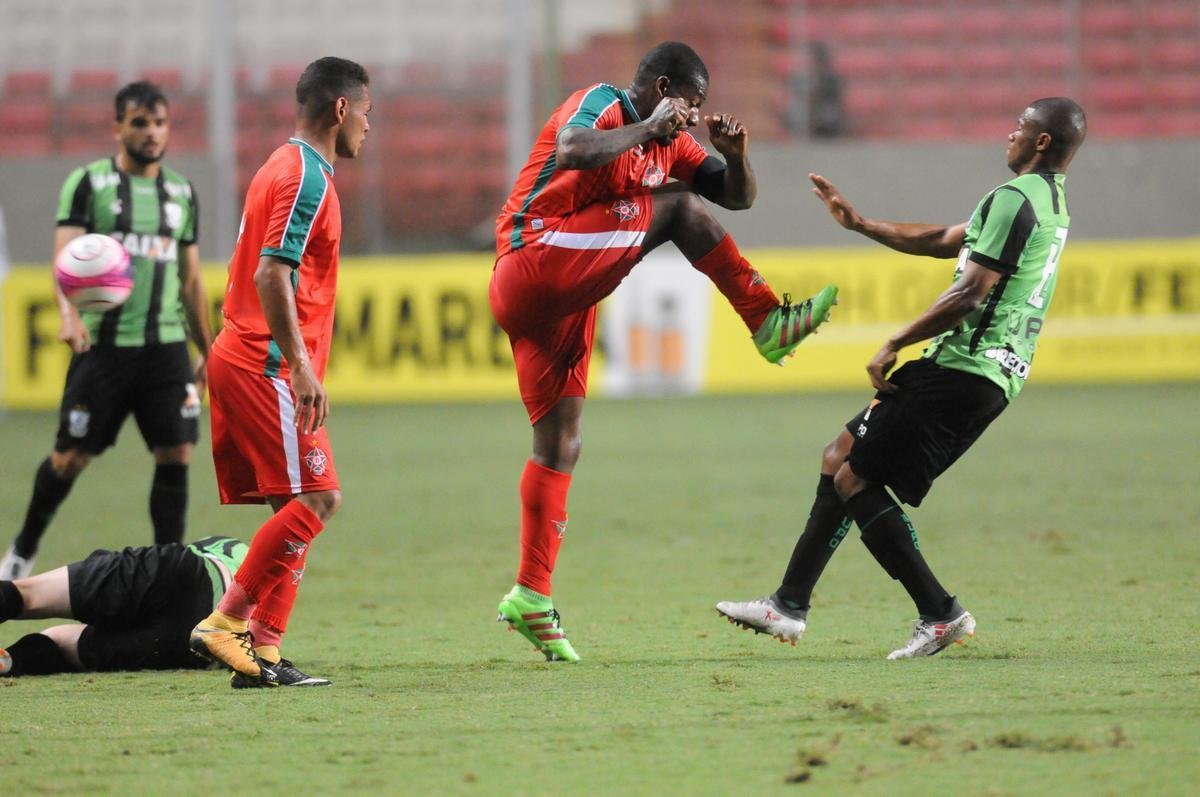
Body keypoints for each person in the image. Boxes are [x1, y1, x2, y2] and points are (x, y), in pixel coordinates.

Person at [490, 41, 839, 662]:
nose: (696, 116)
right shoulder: (604, 103)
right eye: (692, 103)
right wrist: (649, 127)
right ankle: (767, 320)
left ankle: (531, 594)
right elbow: (571, 149)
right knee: (677, 208)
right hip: (534, 254)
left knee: (561, 444)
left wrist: (737, 156)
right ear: (662, 88)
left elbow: (735, 197)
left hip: (560, 300)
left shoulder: (671, 143)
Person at [716, 97, 1087, 659]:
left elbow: (969, 293)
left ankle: (940, 612)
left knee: (855, 481)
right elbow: (944, 240)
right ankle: (787, 604)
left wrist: (894, 342)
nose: (1009, 135)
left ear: (1041, 141)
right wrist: (862, 224)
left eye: (1020, 127)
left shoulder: (1015, 198)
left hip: (965, 368)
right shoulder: (1050, 203)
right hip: (987, 371)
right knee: (838, 455)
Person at [186, 57, 370, 689]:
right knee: (319, 499)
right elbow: (271, 273)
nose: (368, 125)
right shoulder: (306, 177)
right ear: (341, 108)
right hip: (263, 362)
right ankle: (226, 622)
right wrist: (299, 365)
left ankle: (261, 652)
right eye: (366, 112)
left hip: (245, 355)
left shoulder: (279, 164)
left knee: (293, 509)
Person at [0, 81, 212, 581]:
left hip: (165, 346)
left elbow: (190, 279)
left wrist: (209, 348)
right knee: (70, 457)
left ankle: (166, 572)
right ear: (118, 127)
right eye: (140, 123)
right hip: (104, 349)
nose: (151, 133)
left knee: (177, 451)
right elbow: (64, 260)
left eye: (159, 123)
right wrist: (68, 315)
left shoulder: (181, 192)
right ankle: (21, 551)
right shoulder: (89, 184)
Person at [0, 536, 255, 678]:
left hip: (191, 575)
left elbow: (173, 556)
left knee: (28, 596)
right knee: (61, 643)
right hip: (196, 646)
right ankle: (8, 661)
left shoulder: (239, 549)